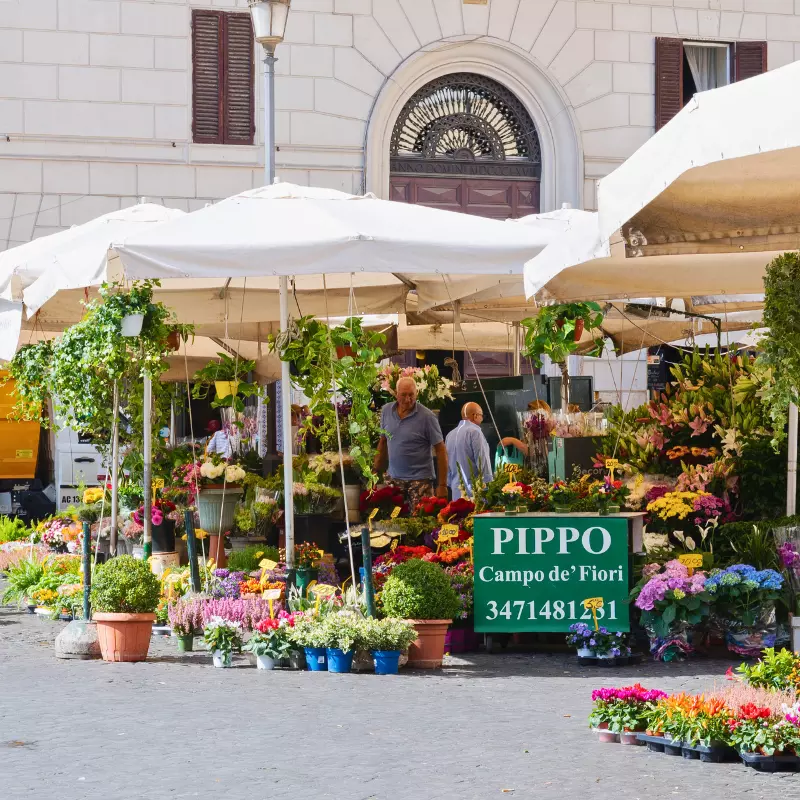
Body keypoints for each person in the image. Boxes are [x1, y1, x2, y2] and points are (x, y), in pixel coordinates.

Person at [373, 376, 448, 510]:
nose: (408, 400)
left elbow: (441, 450)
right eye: (403, 395)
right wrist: (374, 471)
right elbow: (383, 441)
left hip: (420, 481)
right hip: (394, 480)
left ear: (417, 394)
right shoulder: (386, 411)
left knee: (421, 524)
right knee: (393, 525)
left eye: (411, 395)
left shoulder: (428, 417)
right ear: (396, 394)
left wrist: (442, 485)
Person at [446, 402, 492, 499]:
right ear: (475, 416)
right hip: (474, 492)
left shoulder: (449, 435)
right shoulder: (475, 432)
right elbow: (482, 462)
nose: (482, 418)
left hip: (456, 492)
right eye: (481, 415)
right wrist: (489, 485)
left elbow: (447, 466)